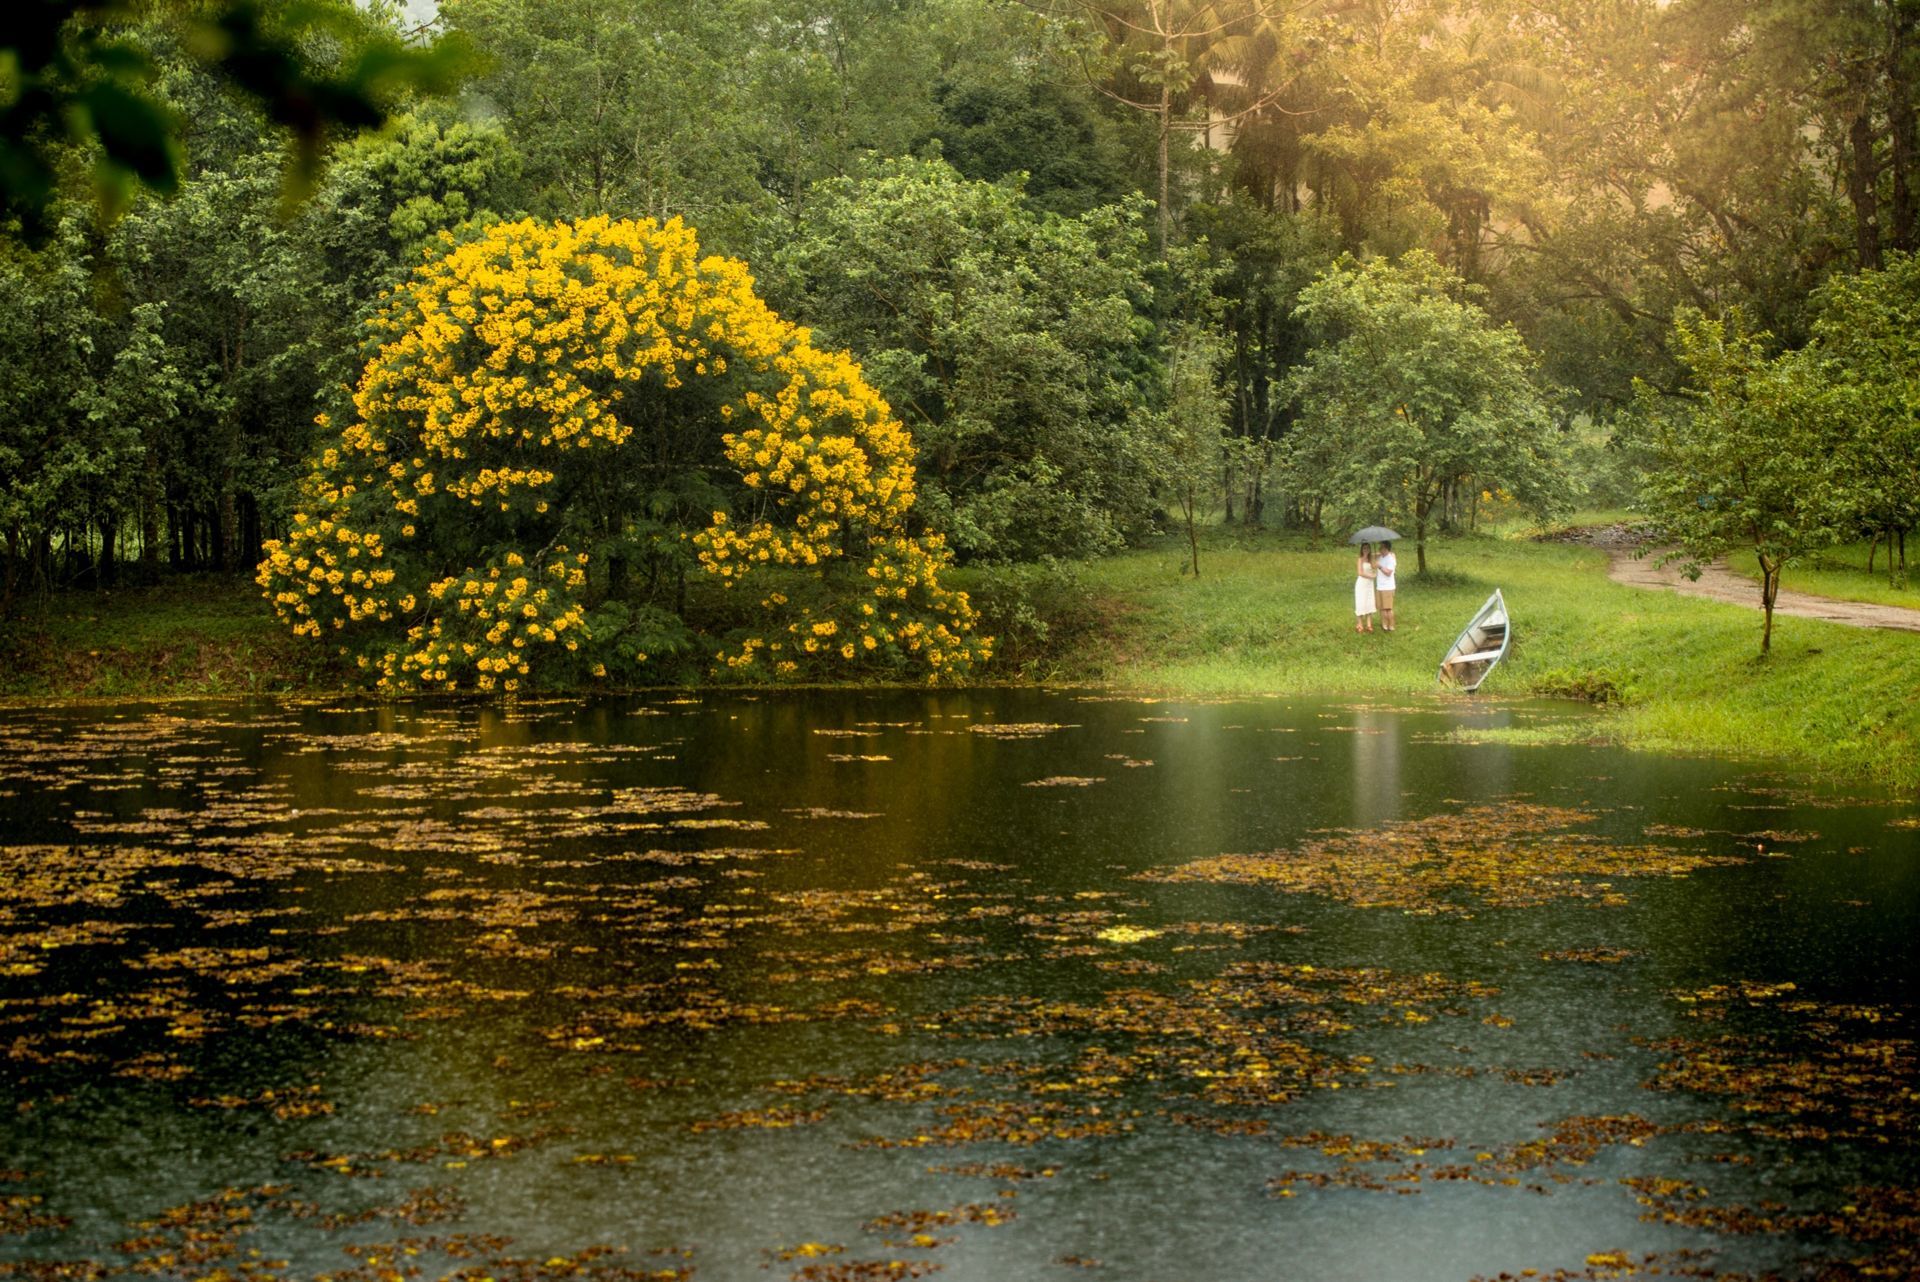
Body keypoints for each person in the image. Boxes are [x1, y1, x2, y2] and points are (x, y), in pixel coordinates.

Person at [1353, 542, 1377, 633]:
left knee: (1369, 602)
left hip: (1369, 585)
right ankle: (1359, 624)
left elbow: (1374, 569)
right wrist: (1371, 576)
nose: (1366, 550)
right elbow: (1360, 573)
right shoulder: (1360, 559)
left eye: (1367, 548)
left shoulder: (1371, 560)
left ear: (1370, 549)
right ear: (1361, 550)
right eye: (1364, 548)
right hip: (1361, 584)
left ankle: (1369, 624)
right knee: (1361, 602)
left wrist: (1374, 572)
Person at [1375, 541, 1397, 632]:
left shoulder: (1390, 559)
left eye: (1382, 547)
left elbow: (1388, 573)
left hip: (1388, 587)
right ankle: (1384, 624)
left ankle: (1391, 625)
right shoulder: (1380, 557)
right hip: (1380, 586)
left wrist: (1379, 566)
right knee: (1382, 608)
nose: (1380, 549)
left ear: (1387, 548)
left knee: (1388, 608)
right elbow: (1372, 555)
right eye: (1379, 547)